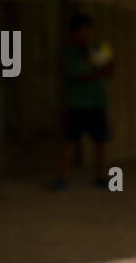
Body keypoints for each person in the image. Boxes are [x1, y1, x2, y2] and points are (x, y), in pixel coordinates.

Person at [49, 12, 114, 190]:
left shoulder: (99, 49)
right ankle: (62, 178)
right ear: (74, 34)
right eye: (82, 31)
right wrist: (99, 72)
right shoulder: (70, 54)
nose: (87, 34)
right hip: (77, 105)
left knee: (101, 142)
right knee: (70, 142)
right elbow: (81, 76)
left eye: (89, 31)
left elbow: (110, 69)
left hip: (97, 103)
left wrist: (106, 66)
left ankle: (100, 176)